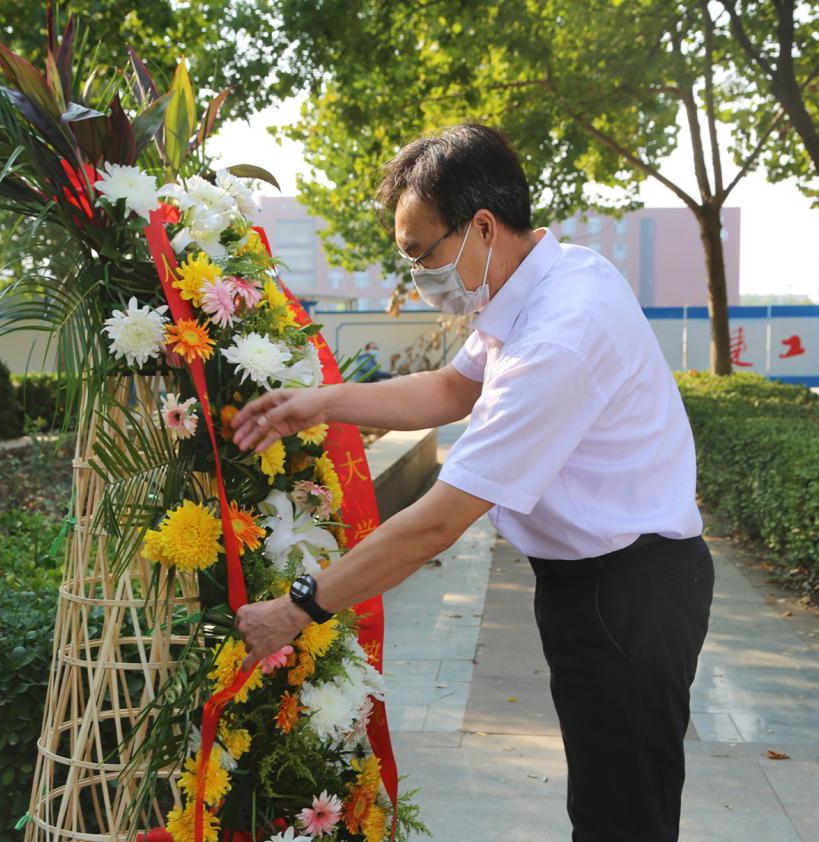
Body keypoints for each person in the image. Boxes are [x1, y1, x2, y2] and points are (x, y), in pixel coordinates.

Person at [230, 123, 713, 841]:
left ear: (483, 226)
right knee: (606, 796)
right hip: (600, 580)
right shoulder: (543, 280)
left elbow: (438, 521)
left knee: (622, 815)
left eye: (422, 253)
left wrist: (300, 606)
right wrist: (322, 402)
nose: (418, 275)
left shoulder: (558, 338)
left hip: (627, 593)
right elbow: (452, 390)